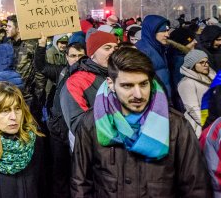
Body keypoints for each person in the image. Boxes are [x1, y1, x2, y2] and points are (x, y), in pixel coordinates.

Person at [71, 48, 211, 197]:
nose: (138, 94)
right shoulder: (92, 123)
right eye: (127, 86)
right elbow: (81, 183)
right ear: (111, 83)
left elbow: (196, 186)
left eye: (143, 84)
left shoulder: (176, 125)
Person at [35, 37, 86, 197]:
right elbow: (41, 66)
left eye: (80, 56)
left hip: (79, 133)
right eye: (73, 56)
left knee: (78, 172)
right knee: (59, 172)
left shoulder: (90, 75)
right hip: (59, 131)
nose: (76, 59)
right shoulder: (62, 72)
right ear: (66, 57)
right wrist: (41, 45)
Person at [61, 31, 118, 143]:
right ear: (92, 54)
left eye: (115, 48)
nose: (113, 52)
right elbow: (79, 125)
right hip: (96, 147)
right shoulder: (76, 82)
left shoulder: (121, 74)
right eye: (107, 48)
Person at [6, 14, 46, 120]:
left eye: (9, 26)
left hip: (27, 97)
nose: (6, 29)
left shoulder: (31, 46)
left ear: (18, 29)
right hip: (9, 95)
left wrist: (38, 95)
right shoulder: (7, 45)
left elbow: (39, 71)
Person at [178, 49, 216, 137]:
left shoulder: (211, 77)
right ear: (192, 65)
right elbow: (193, 109)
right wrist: (209, 125)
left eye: (206, 62)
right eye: (201, 62)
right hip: (200, 127)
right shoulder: (186, 83)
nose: (206, 65)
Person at [135, 14, 173, 100]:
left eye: (167, 31)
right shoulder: (142, 51)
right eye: (163, 31)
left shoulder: (160, 48)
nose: (167, 35)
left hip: (163, 99)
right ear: (152, 31)